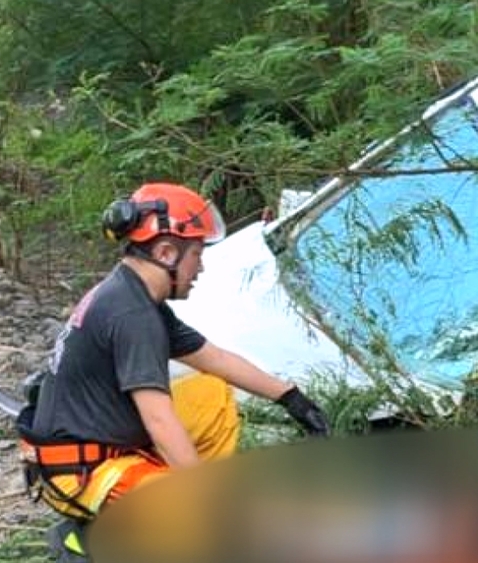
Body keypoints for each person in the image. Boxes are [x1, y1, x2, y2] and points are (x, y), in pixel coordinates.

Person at [19, 182, 331, 533]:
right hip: (81, 472)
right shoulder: (132, 316)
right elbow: (160, 421)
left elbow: (215, 359)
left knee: (210, 393)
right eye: (197, 254)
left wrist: (291, 398)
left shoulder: (133, 294)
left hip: (102, 440)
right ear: (167, 252)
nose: (200, 269)